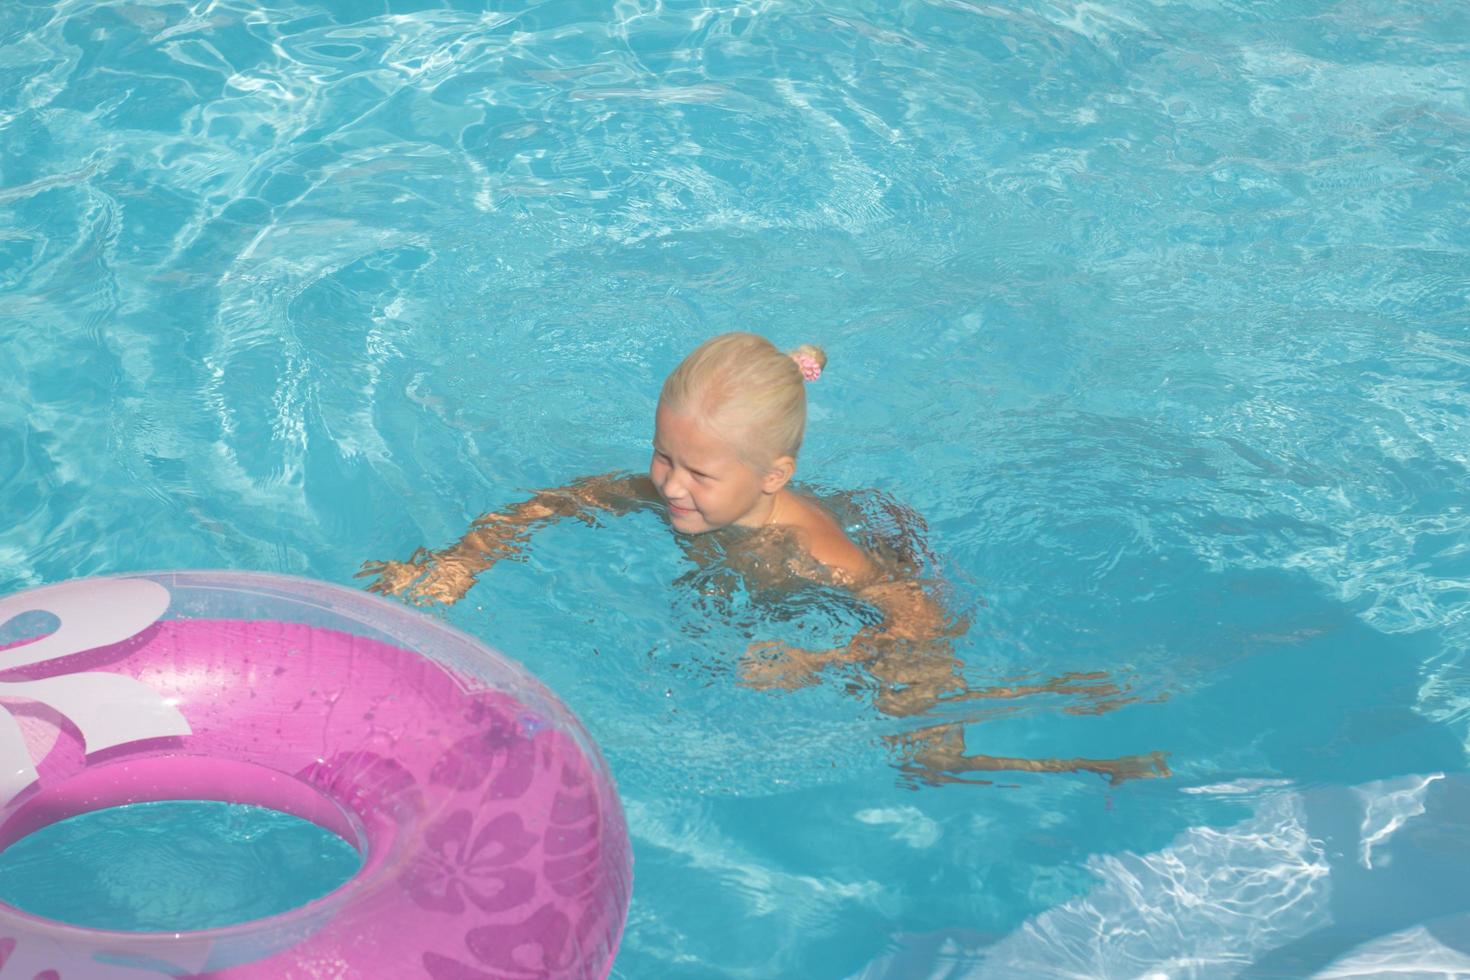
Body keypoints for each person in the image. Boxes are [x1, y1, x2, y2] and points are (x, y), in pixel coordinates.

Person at [358, 332, 1168, 785]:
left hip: (887, 592)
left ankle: (1083, 744)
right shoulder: (666, 486)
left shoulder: (813, 550)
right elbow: (558, 501)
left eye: (697, 473)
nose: (668, 485)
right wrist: (462, 561)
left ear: (774, 476)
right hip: (795, 587)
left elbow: (921, 616)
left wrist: (819, 660)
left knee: (924, 753)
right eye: (662, 455)